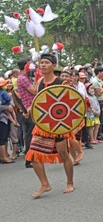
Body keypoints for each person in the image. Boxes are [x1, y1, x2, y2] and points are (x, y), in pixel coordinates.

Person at [25, 53, 75, 198]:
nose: (43, 65)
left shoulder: (61, 82)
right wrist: (30, 108)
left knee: (63, 154)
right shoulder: (39, 81)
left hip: (59, 123)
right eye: (42, 62)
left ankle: (70, 182)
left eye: (47, 62)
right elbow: (38, 100)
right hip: (43, 123)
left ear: (54, 65)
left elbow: (71, 102)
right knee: (34, 155)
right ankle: (45, 184)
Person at [16, 58, 37, 168]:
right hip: (28, 109)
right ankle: (29, 159)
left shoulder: (25, 77)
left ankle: (32, 157)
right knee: (30, 134)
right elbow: (34, 91)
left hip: (31, 108)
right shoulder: (23, 78)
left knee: (32, 134)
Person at [90, 67, 103, 140]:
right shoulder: (95, 81)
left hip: (102, 99)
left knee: (102, 118)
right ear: (99, 72)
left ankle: (101, 134)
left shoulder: (100, 80)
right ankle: (99, 135)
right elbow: (99, 93)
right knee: (100, 118)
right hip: (98, 101)